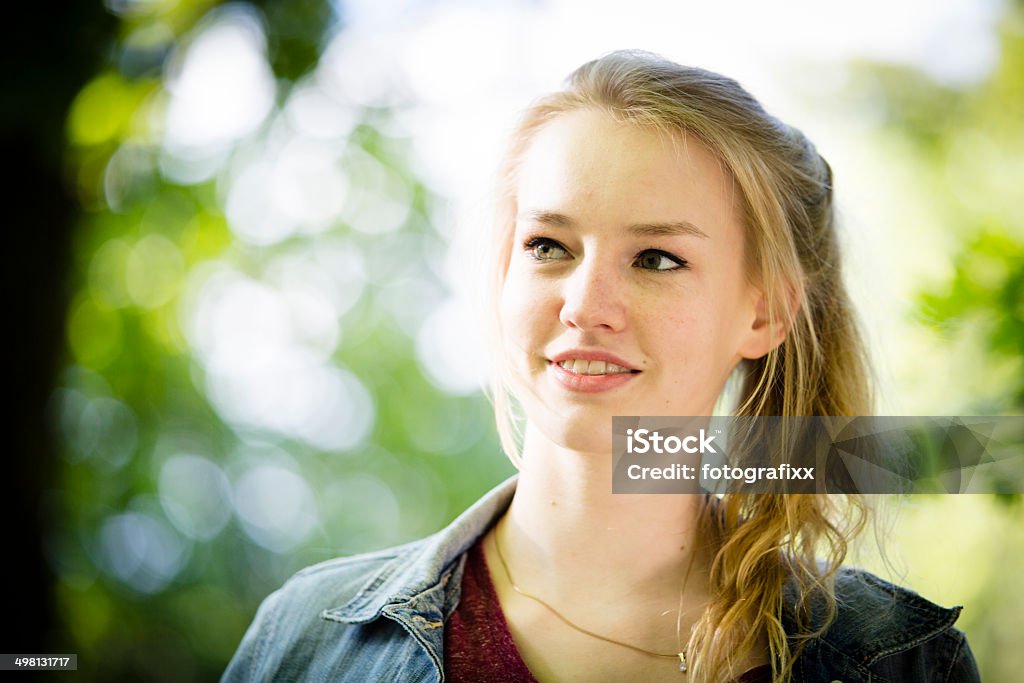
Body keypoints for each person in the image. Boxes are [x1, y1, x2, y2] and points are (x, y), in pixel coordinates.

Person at [222, 51, 980, 682]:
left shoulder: (905, 661)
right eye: (549, 246)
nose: (587, 304)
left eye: (656, 258)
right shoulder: (307, 641)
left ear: (766, 313)